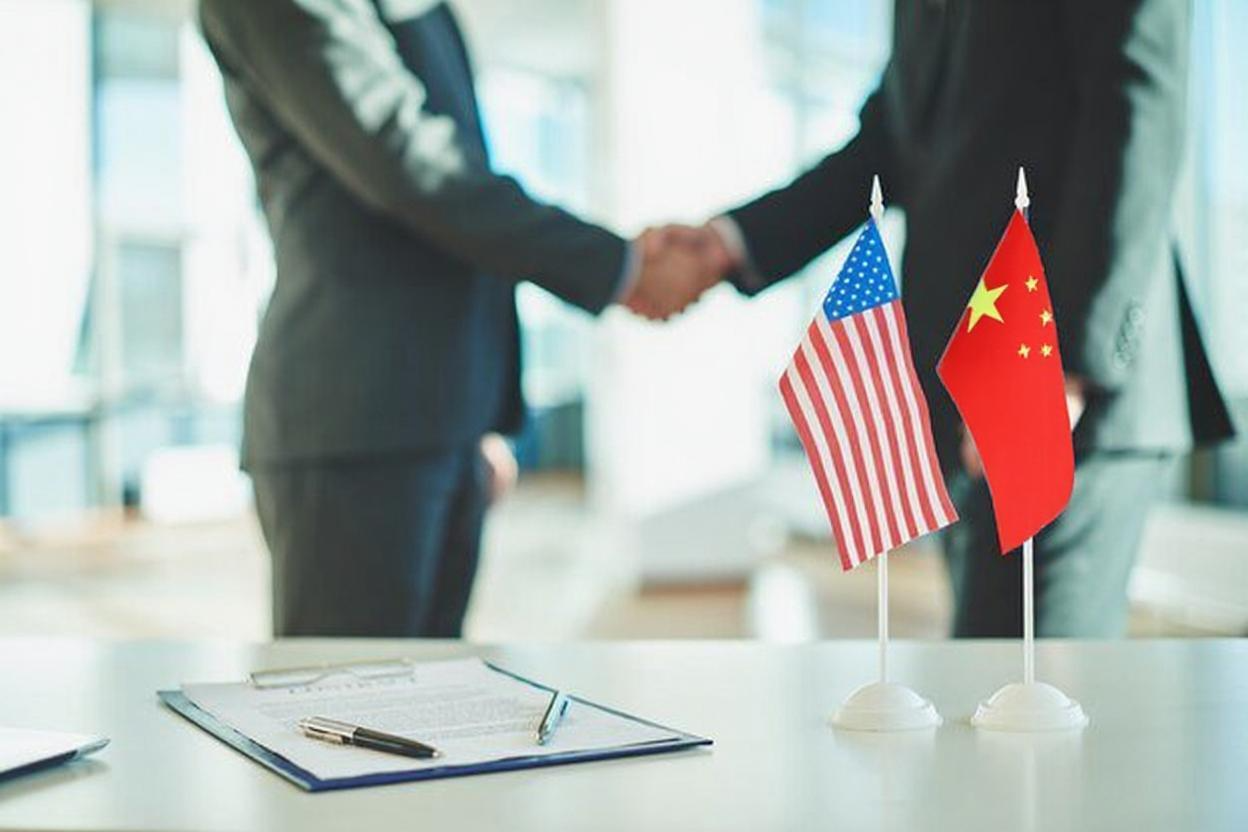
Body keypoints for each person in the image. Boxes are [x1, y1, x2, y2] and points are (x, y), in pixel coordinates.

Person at [656, 0, 1235, 637]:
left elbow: (1138, 120)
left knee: (1027, 698)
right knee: (986, 686)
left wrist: (1060, 364)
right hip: (960, 389)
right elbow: (885, 148)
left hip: (1056, 386)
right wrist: (730, 244)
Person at [197, 0, 716, 638]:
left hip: (442, 423)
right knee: (349, 713)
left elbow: (462, 194)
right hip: (354, 427)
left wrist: (479, 418)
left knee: (434, 708)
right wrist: (621, 266)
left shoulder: (422, 11)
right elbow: (414, 165)